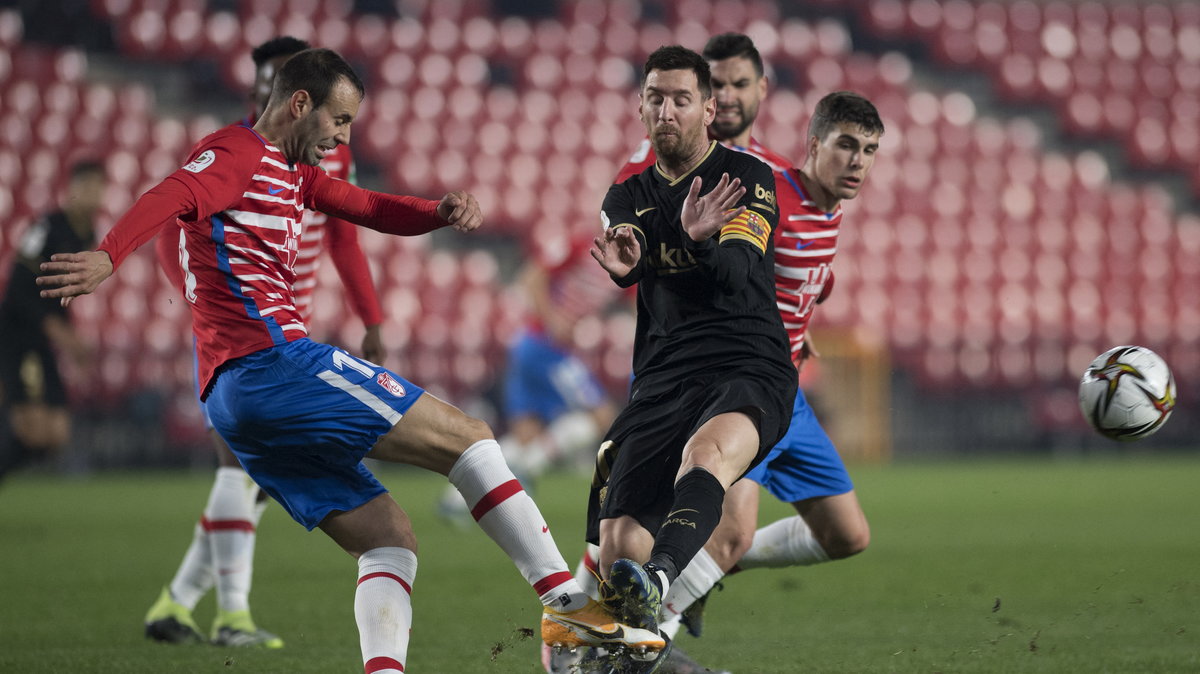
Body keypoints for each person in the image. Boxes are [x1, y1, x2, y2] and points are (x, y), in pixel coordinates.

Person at [38, 48, 663, 673]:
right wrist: (109, 256)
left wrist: (436, 213)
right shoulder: (237, 154)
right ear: (300, 104)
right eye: (339, 119)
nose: (343, 134)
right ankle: (568, 605)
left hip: (234, 402)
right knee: (470, 440)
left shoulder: (294, 173)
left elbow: (365, 207)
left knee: (389, 540)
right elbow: (172, 192)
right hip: (274, 366)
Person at [143, 35, 385, 650]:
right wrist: (201, 308)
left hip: (291, 332)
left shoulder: (329, 156)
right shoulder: (231, 154)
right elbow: (174, 226)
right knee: (241, 471)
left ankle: (177, 601)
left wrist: (371, 315)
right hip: (235, 333)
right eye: (259, 87)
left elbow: (345, 236)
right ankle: (231, 616)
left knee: (257, 479)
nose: (266, 97)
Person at [585, 44, 795, 664]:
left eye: (682, 99)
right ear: (641, 108)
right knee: (618, 542)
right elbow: (632, 257)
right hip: (663, 375)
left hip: (746, 363)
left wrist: (697, 240)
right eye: (656, 98)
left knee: (703, 456)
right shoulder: (625, 196)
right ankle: (645, 647)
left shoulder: (745, 178)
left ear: (709, 108)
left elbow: (734, 274)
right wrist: (629, 269)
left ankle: (662, 579)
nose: (667, 110)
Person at [0, 161, 105, 482]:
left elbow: (60, 295)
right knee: (32, 430)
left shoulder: (87, 233)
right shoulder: (48, 227)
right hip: (17, 335)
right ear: (70, 189)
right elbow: (18, 288)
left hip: (42, 339)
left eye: (98, 187)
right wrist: (62, 334)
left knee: (57, 434)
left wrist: (67, 335)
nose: (93, 194)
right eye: (86, 186)